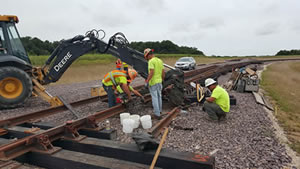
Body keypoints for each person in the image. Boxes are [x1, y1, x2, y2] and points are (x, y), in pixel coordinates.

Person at [144, 48, 165, 119]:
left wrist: (147, 81)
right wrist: (162, 79)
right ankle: (160, 111)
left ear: (148, 55)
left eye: (146, 57)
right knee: (159, 96)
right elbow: (163, 72)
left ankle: (157, 114)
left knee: (154, 98)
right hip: (159, 82)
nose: (147, 58)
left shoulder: (151, 61)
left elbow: (151, 72)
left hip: (153, 82)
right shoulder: (160, 60)